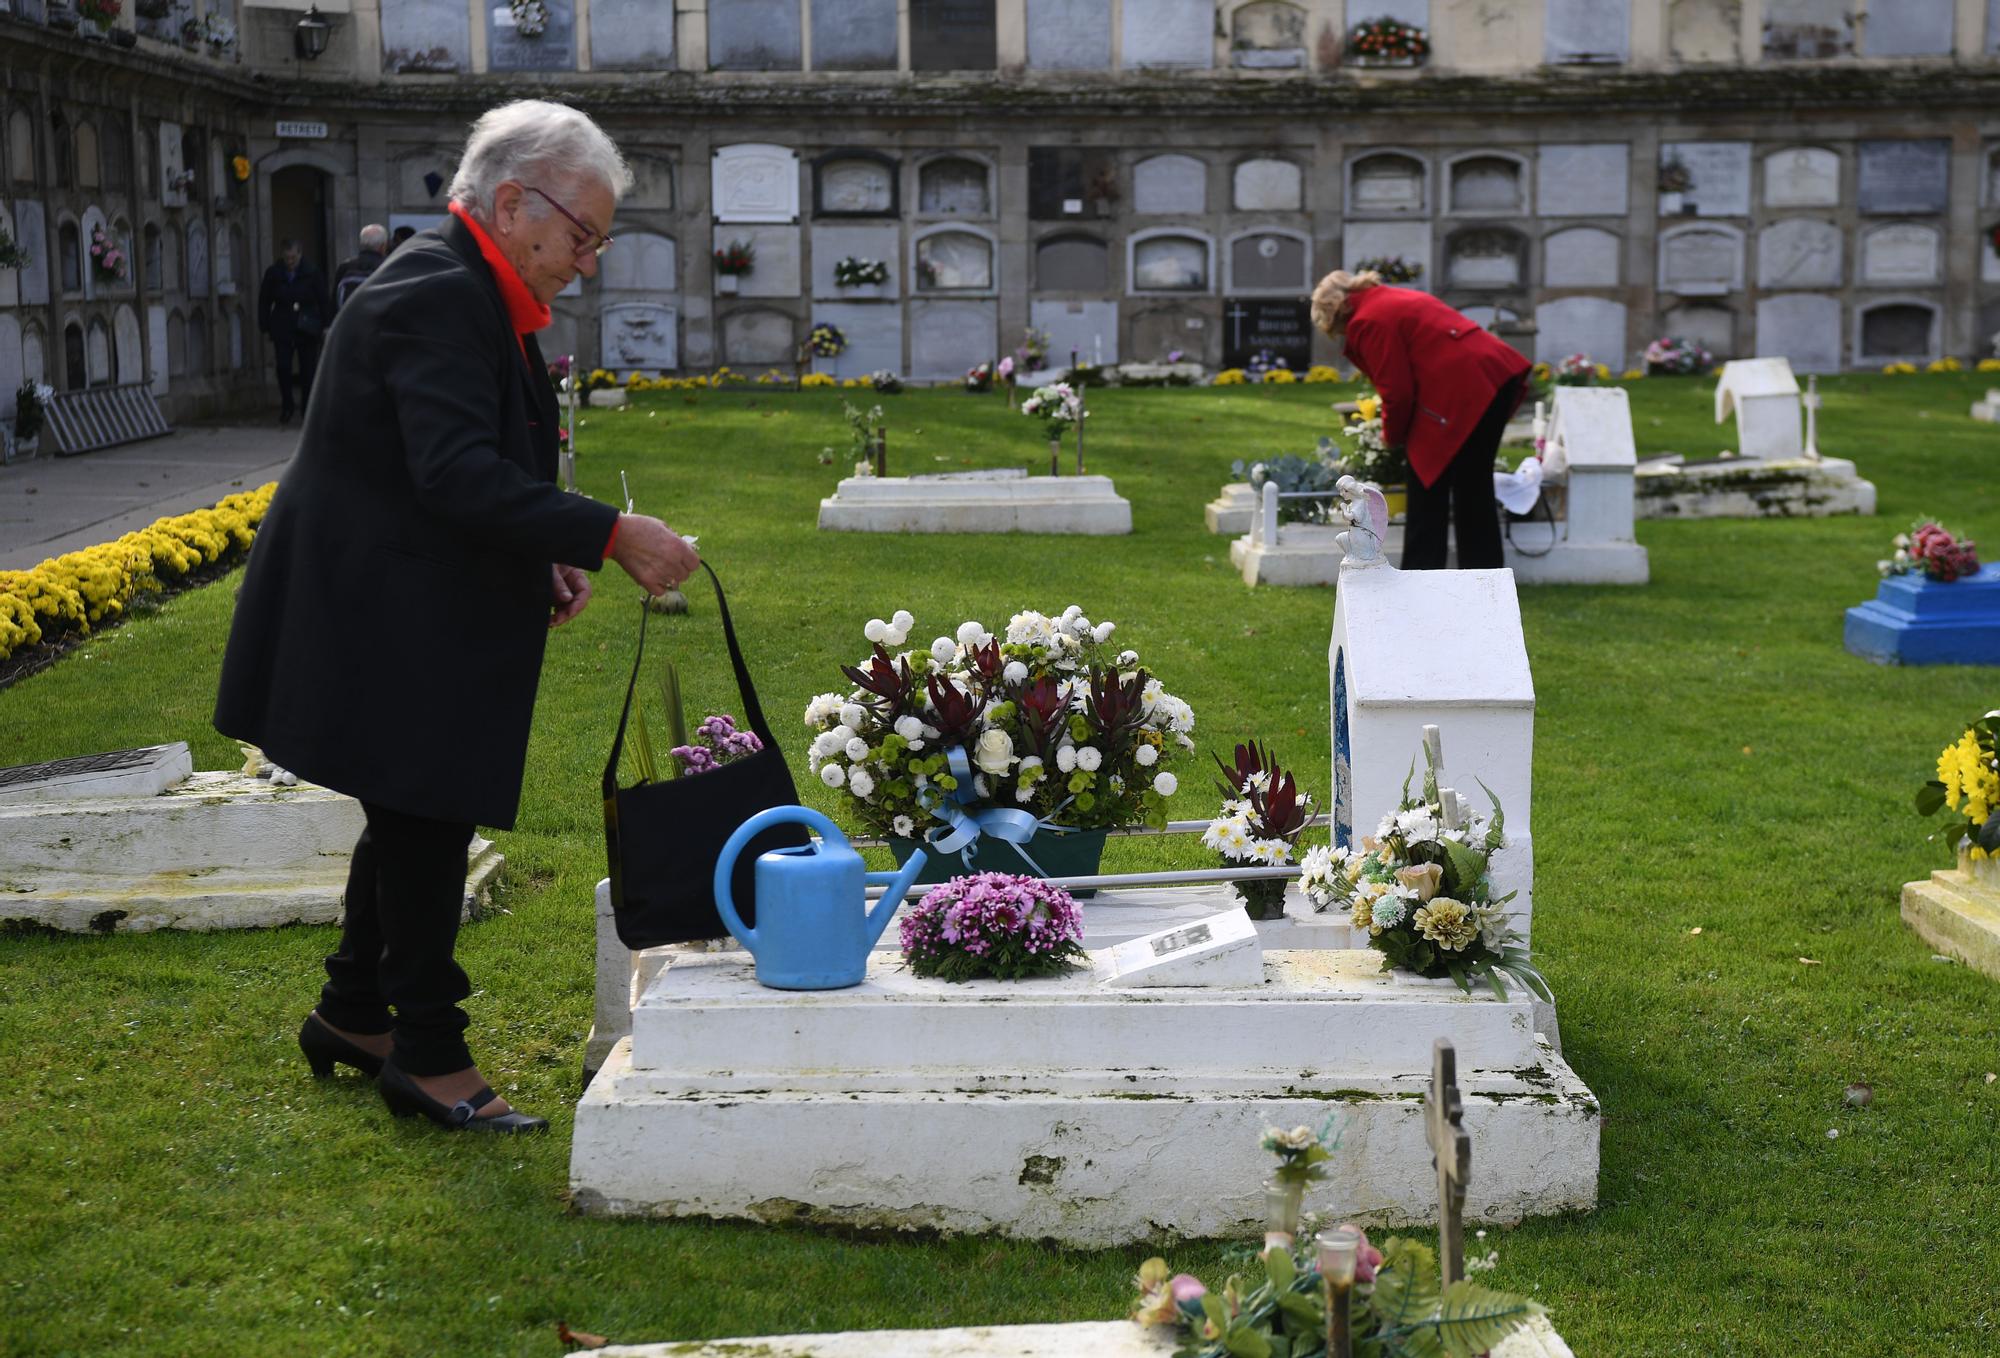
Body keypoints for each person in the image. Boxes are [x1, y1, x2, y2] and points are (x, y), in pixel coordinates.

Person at [215, 100, 700, 1134]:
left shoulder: (471, 285)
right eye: (582, 234)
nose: (590, 260)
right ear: (515, 199)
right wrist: (607, 534)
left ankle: (354, 1008)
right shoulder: (439, 292)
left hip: (404, 592)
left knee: (409, 803)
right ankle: (428, 1051)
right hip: (381, 601)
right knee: (426, 810)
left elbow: (474, 460)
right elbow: (455, 470)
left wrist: (544, 554)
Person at [1311, 269, 1531, 571]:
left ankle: (1421, 577)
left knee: (1428, 490)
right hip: (1490, 375)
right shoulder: (1387, 297)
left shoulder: (1367, 320)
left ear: (1334, 312)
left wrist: (1391, 435)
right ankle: (1485, 577)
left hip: (1464, 386)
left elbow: (1397, 391)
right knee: (1474, 487)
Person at [258, 239, 328, 425]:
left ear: (300, 254)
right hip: (283, 325)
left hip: (306, 326)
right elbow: (264, 300)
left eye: (293, 258)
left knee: (308, 370)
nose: (290, 261)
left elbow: (323, 300)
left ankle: (307, 409)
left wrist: (326, 325)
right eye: (287, 258)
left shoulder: (312, 272)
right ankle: (287, 405)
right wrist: (264, 325)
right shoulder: (274, 273)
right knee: (283, 367)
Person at [330, 222, 389, 317]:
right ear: (383, 246)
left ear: (361, 244)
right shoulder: (388, 266)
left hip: (349, 325)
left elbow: (334, 303)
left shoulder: (345, 267)